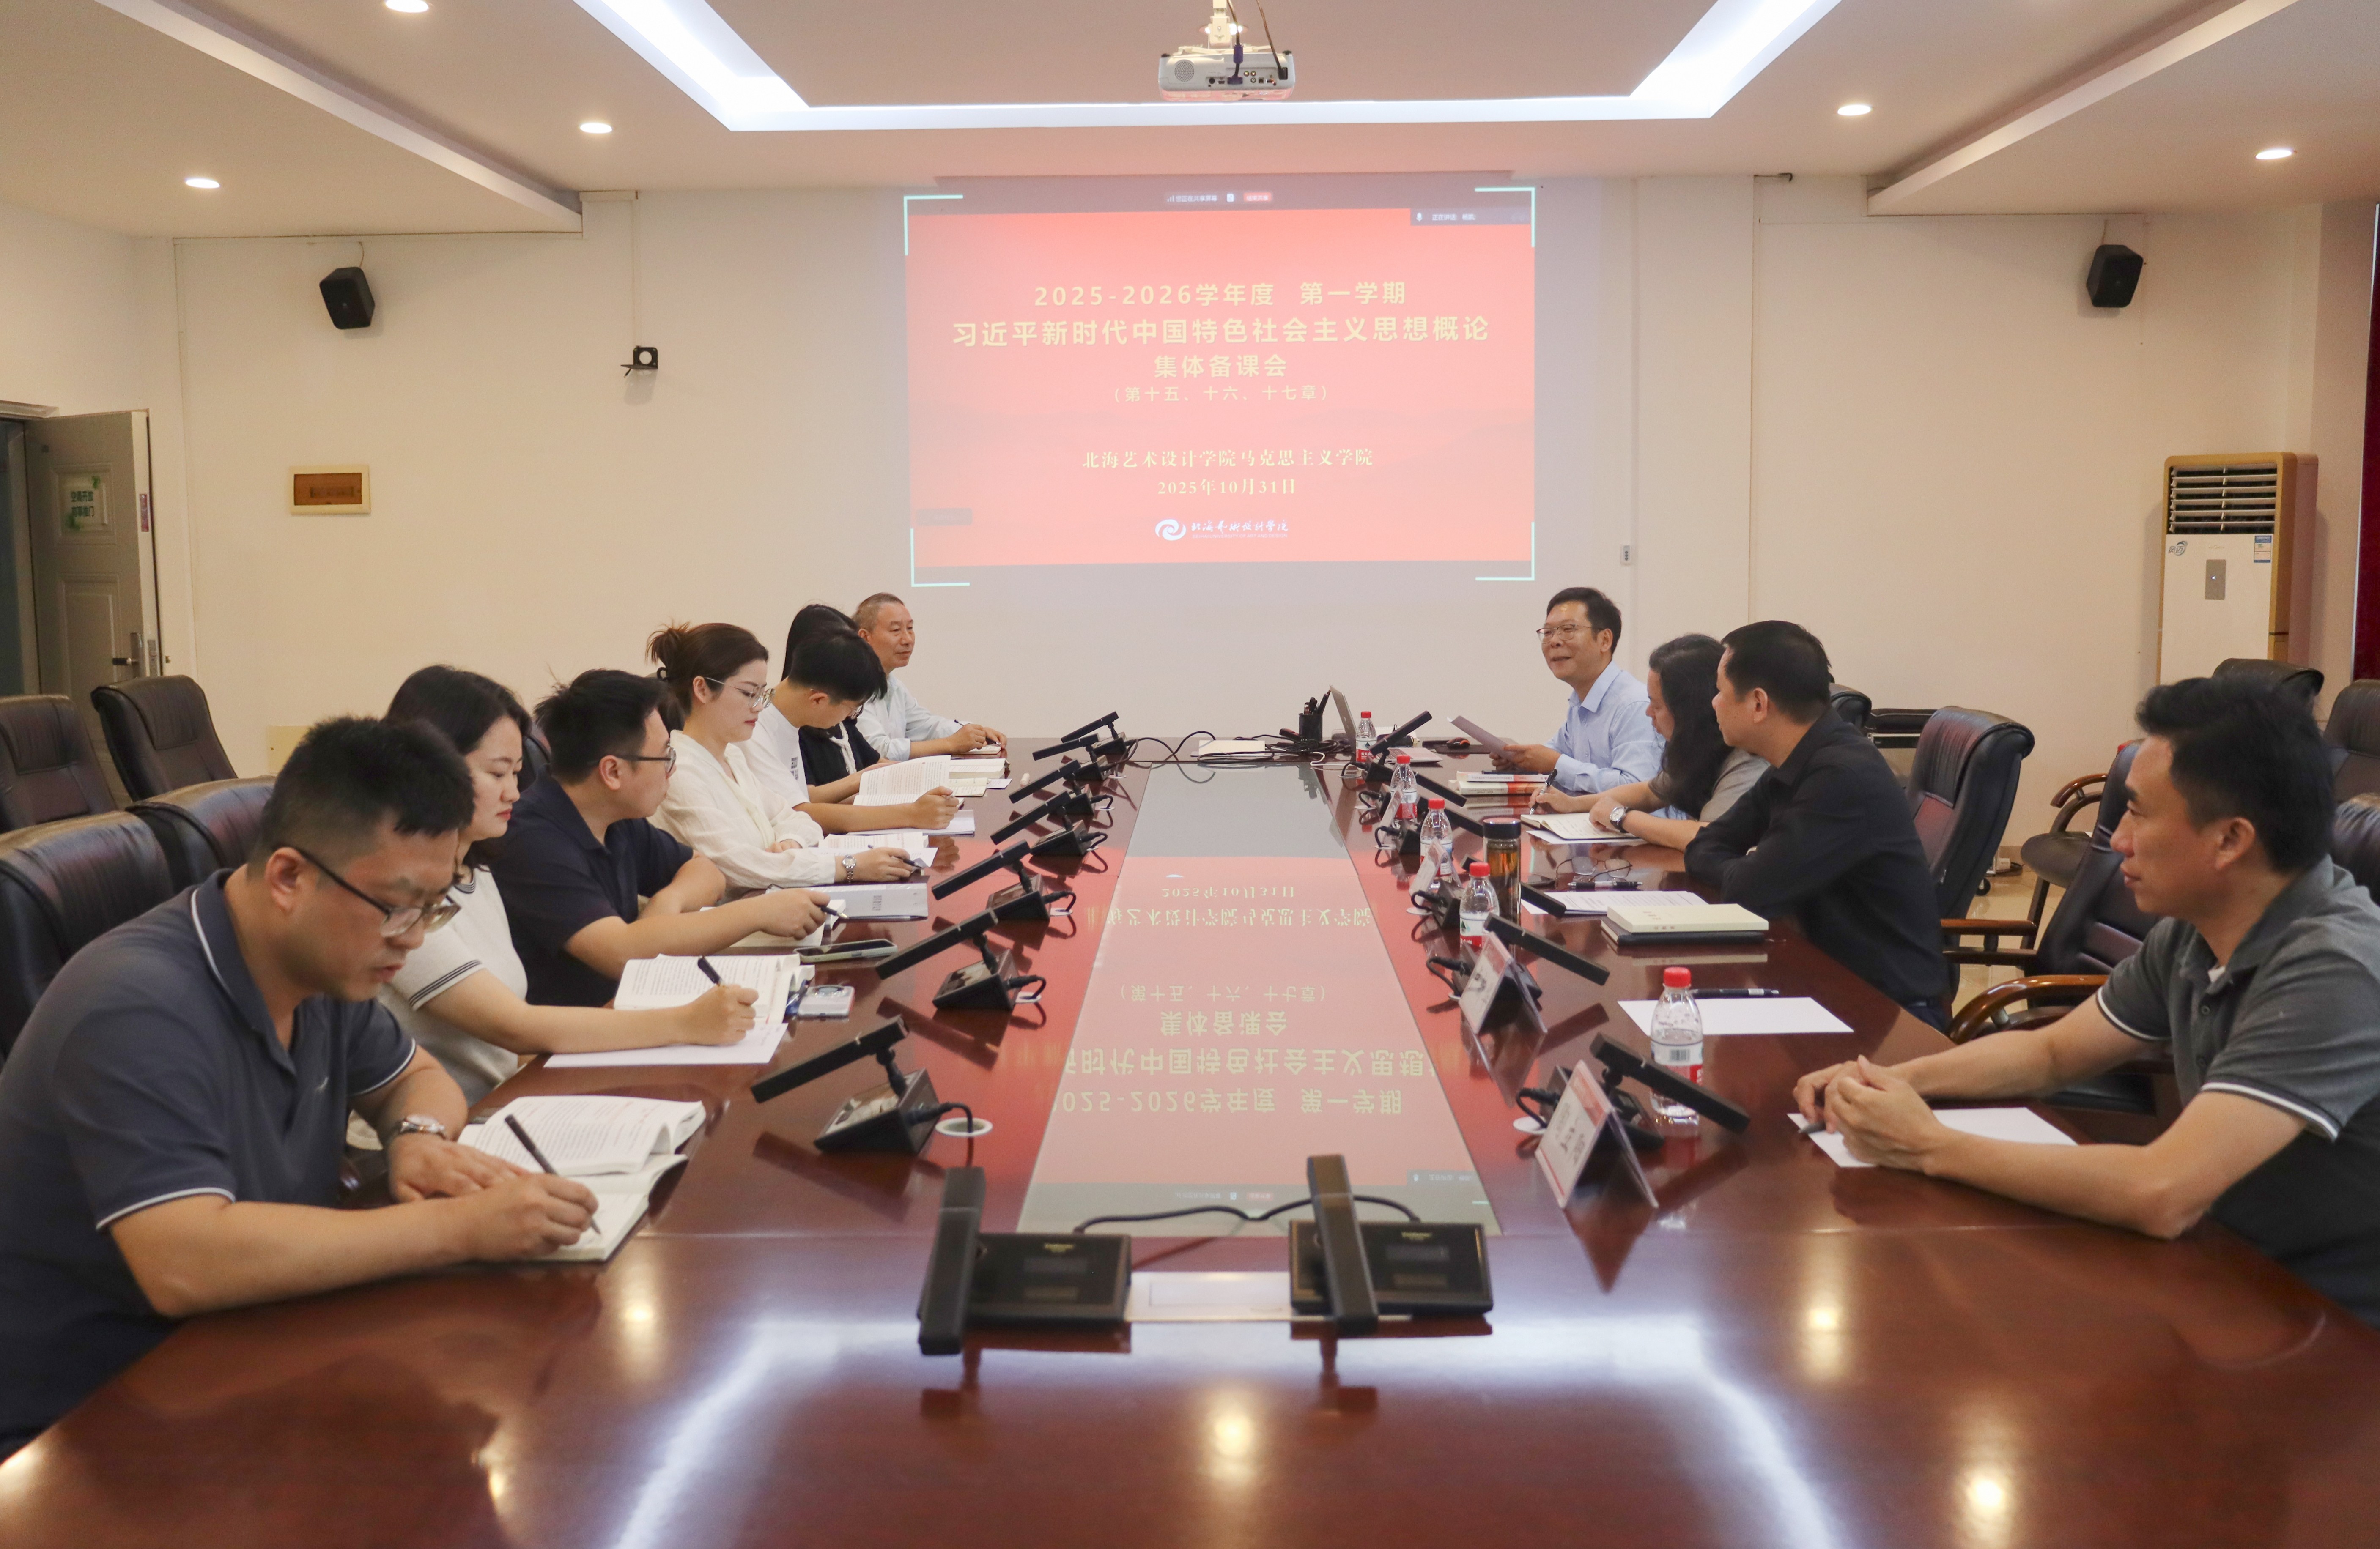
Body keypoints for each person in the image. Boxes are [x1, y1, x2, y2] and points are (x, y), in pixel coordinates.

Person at [0, 717, 600, 1458]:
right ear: (288, 877)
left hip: (251, 1351)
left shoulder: (323, 967)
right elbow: (184, 1260)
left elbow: (417, 1078)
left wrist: (416, 1138)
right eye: (397, 905)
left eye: (433, 906)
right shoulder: (134, 1004)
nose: (414, 937)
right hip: (88, 1430)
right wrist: (461, 1228)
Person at [1796, 676, 2380, 1327]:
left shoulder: (2334, 969)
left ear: (2229, 841)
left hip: (2324, 1326)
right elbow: (2051, 1053)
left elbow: (2163, 1191)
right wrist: (1887, 1081)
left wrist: (1926, 1144)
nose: (2118, 839)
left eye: (2139, 813)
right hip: (2222, 1271)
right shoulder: (2198, 928)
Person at [379, 666, 759, 1103]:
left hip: (511, 1094)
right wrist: (684, 1022)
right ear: (432, 770)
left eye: (516, 773)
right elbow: (513, 1026)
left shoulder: (476, 868)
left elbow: (503, 1052)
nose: (514, 793)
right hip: (451, 1119)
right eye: (498, 774)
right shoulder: (398, 896)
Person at [488, 670, 830, 1007]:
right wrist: (759, 912)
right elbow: (620, 954)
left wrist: (667, 903)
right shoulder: (531, 839)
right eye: (666, 756)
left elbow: (705, 871)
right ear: (613, 771)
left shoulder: (614, 814)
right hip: (582, 1029)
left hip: (634, 1004)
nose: (673, 769)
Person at [1684, 620, 1945, 1024]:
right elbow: (1704, 846)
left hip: (1888, 1011)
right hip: (1826, 981)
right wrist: (1748, 869)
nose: (1714, 704)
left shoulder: (1841, 776)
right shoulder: (1796, 760)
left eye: (1720, 691)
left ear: (1758, 704)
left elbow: (1750, 891)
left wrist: (1749, 871)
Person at [645, 622, 916, 892]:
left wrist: (790, 842)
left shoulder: (732, 758)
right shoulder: (681, 773)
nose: (759, 706)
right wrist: (848, 867)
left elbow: (800, 820)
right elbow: (737, 866)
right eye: (749, 693)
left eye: (762, 693)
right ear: (702, 689)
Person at [1534, 633, 1768, 849]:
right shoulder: (1700, 749)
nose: (1648, 713)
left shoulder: (1748, 757)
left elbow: (1709, 836)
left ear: (1689, 712)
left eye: (1656, 706)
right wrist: (1572, 804)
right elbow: (1650, 792)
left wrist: (1622, 818)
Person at [748, 628, 962, 835]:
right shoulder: (755, 730)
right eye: (853, 709)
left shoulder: (786, 722)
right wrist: (911, 814)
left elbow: (802, 803)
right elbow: (800, 814)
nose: (851, 717)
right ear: (819, 700)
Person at [1490, 586, 1662, 796]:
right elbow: (1552, 755)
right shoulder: (1580, 702)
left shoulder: (1635, 705)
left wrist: (1555, 765)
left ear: (1605, 640)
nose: (1554, 641)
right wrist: (1521, 763)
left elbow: (1636, 789)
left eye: (1568, 630)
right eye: (1548, 632)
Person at [852, 592, 1005, 760]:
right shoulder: (853, 686)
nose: (907, 640)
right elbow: (877, 751)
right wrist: (951, 744)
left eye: (910, 629)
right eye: (896, 630)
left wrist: (974, 732)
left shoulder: (894, 685)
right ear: (865, 637)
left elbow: (927, 726)